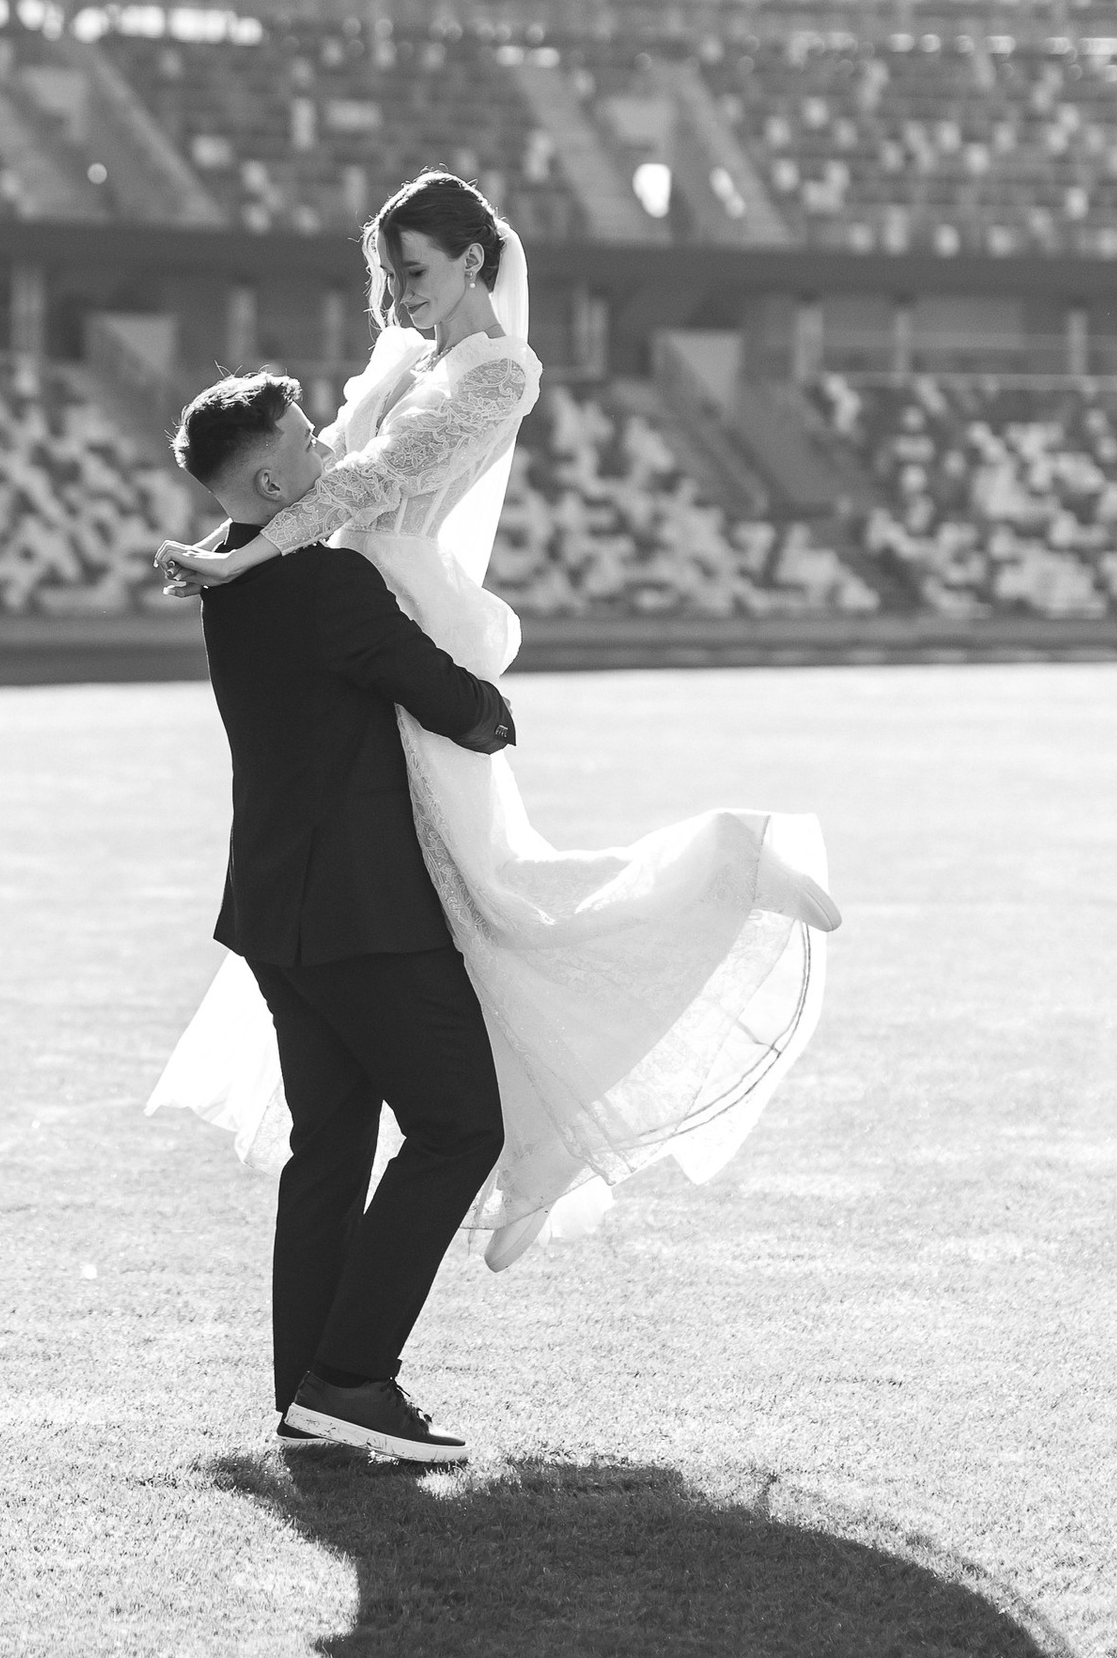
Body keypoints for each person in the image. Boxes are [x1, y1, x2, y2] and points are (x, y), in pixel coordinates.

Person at [150, 166, 841, 1291]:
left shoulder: (499, 371)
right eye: (384, 272)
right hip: (364, 623)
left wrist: (236, 556)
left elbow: (352, 484)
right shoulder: (408, 361)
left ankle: (723, 861)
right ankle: (532, 1141)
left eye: (413, 270)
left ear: (475, 260)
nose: (398, 293)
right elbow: (296, 463)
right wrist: (244, 541)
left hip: (404, 618)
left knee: (493, 898)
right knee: (472, 917)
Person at [163, 365, 519, 1467]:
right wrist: (486, 680)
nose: (333, 450)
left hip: (278, 906)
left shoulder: (233, 577)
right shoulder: (325, 584)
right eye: (311, 439)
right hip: (362, 910)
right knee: (461, 1124)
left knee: (329, 1148)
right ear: (271, 474)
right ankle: (353, 1376)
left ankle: (306, 1400)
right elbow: (465, 710)